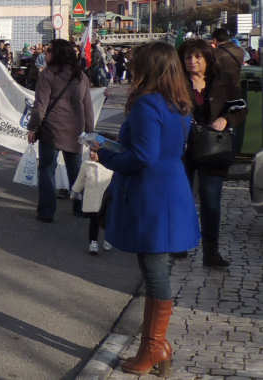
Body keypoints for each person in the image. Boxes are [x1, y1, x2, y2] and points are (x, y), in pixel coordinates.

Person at [90, 42, 199, 376]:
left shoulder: (147, 103)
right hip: (170, 189)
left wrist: (105, 155)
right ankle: (155, 346)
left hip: (153, 195)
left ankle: (154, 347)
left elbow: (143, 156)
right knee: (158, 269)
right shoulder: (178, 103)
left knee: (154, 271)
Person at [178, 38, 245, 268]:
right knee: (182, 198)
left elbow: (240, 107)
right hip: (184, 149)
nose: (192, 61)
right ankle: (180, 242)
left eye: (198, 57)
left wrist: (225, 119)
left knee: (211, 201)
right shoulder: (177, 83)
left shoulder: (223, 80)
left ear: (207, 59)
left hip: (213, 148)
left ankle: (211, 252)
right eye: (188, 57)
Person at [26, 39, 96, 223]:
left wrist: (33, 127)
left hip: (51, 129)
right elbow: (88, 108)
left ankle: (46, 211)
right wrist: (90, 133)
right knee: (76, 171)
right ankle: (81, 207)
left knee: (47, 170)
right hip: (75, 131)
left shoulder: (48, 74)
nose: (46, 53)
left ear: (57, 54)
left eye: (49, 51)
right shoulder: (81, 76)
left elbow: (40, 106)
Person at [210, 28, 247, 156]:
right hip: (237, 87)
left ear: (215, 40)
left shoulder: (216, 54)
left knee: (220, 121)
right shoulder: (239, 50)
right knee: (236, 115)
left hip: (221, 90)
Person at [71, 147, 113, 255]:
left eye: (95, 151)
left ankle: (108, 238)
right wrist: (75, 191)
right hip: (92, 199)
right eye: (91, 151)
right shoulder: (86, 165)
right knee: (94, 220)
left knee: (107, 220)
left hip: (106, 198)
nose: (92, 153)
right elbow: (80, 180)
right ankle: (93, 242)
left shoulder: (111, 165)